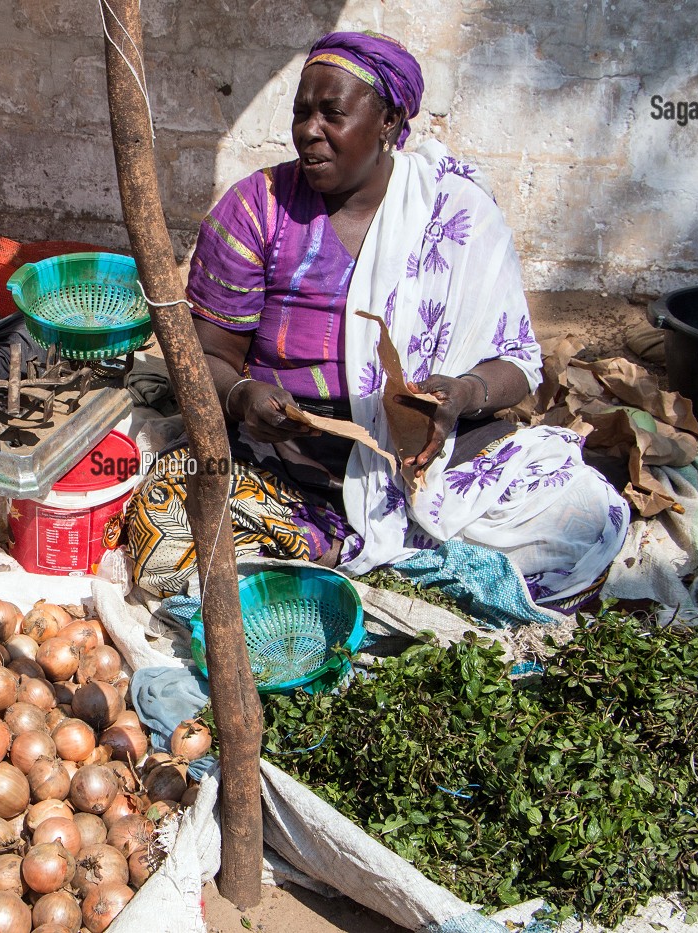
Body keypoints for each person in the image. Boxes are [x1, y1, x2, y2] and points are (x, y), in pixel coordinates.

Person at [124, 30, 630, 611]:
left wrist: (460, 395)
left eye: (331, 113)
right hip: (290, 464)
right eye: (301, 113)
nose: (309, 130)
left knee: (583, 516)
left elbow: (518, 365)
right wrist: (241, 396)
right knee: (167, 537)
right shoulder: (256, 209)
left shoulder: (454, 211)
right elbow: (203, 356)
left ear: (388, 121)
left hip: (432, 459)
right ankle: (355, 555)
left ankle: (350, 561)